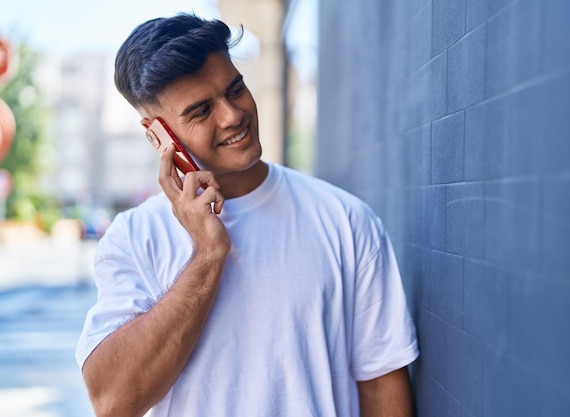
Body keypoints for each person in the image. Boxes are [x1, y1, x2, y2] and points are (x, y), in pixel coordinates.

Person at [76, 13, 419, 417]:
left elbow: (382, 388)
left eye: (235, 89)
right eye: (201, 111)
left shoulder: (345, 219)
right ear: (160, 135)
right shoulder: (133, 238)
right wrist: (207, 255)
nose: (232, 115)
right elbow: (113, 401)